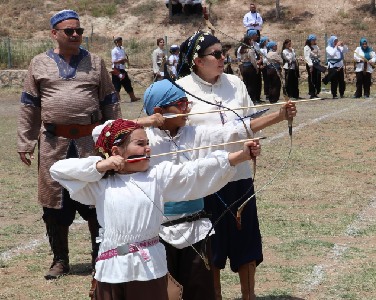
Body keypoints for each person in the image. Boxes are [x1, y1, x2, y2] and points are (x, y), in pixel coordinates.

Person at [49, 118, 261, 300]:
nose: (148, 148)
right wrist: (100, 166)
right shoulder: (100, 182)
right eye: (140, 144)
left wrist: (240, 156)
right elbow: (58, 171)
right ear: (116, 151)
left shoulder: (157, 175)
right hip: (110, 267)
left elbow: (195, 172)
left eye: (148, 143)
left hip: (147, 267)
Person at [175, 30, 297, 300]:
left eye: (224, 53)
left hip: (239, 175)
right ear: (197, 60)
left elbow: (249, 123)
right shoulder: (181, 89)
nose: (223, 58)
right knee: (212, 246)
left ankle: (248, 296)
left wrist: (279, 115)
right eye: (216, 54)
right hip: (205, 179)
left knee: (247, 242)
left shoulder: (235, 83)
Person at [17, 9, 121, 280]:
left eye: (79, 31)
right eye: (69, 31)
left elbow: (110, 101)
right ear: (54, 34)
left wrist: (117, 137)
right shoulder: (38, 63)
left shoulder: (96, 63)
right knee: (54, 203)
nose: (76, 35)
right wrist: (26, 141)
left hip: (90, 142)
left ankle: (100, 258)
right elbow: (30, 105)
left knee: (96, 201)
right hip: (53, 143)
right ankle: (60, 260)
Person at [111, 36, 141, 102]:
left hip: (122, 68)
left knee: (127, 83)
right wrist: (122, 60)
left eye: (121, 41)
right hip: (116, 69)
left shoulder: (122, 49)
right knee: (117, 85)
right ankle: (118, 99)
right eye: (120, 42)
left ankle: (133, 97)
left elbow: (124, 57)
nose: (121, 43)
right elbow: (113, 61)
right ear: (116, 42)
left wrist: (126, 61)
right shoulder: (114, 51)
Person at [238, 32, 263, 104]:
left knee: (246, 83)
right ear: (249, 41)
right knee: (252, 84)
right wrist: (256, 68)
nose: (252, 41)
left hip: (244, 67)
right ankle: (252, 99)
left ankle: (247, 99)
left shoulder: (242, 50)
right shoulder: (250, 50)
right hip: (250, 68)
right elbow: (253, 61)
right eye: (251, 40)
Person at [304, 34, 323, 99]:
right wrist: (310, 65)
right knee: (312, 78)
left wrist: (316, 55)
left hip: (317, 63)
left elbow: (319, 54)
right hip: (311, 64)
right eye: (313, 40)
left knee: (318, 77)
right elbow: (307, 57)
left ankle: (316, 92)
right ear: (310, 40)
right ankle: (312, 93)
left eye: (315, 40)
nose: (314, 41)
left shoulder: (316, 46)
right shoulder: (307, 47)